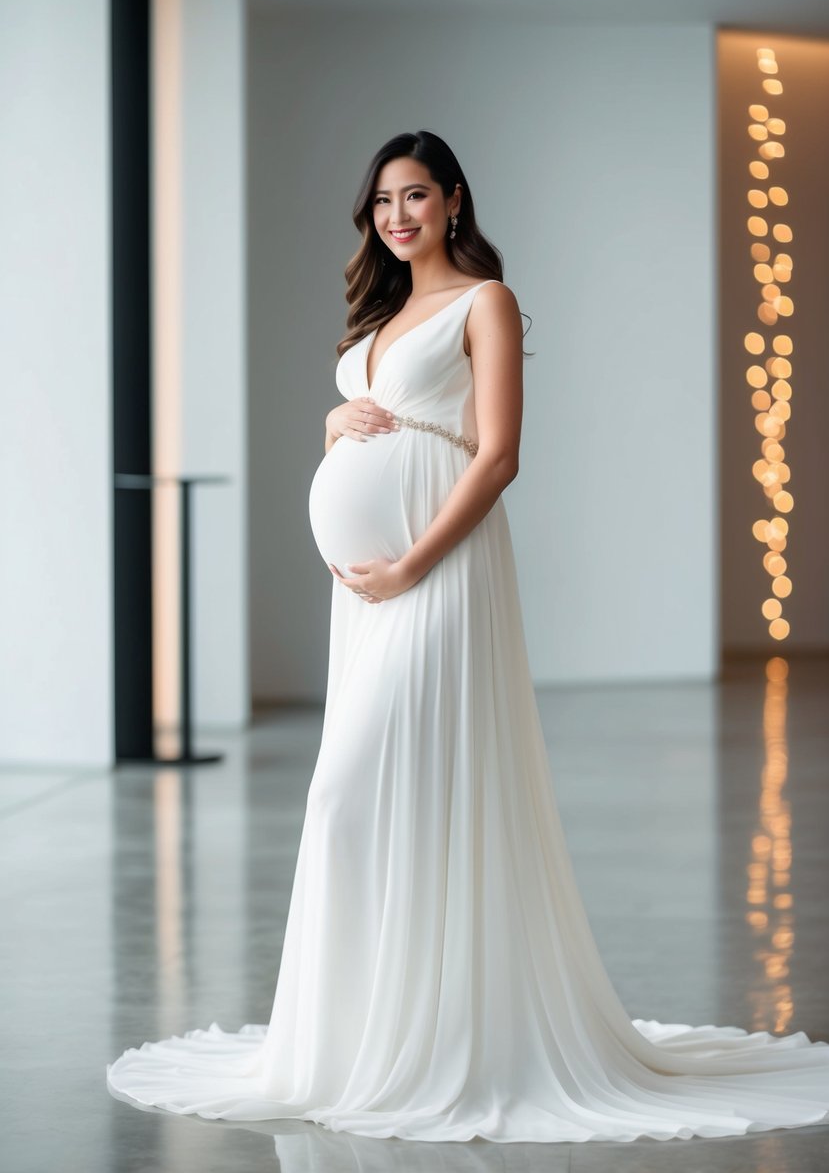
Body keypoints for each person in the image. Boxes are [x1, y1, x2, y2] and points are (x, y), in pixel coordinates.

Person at [107, 130, 829, 1143]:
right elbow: (370, 415)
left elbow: (495, 459)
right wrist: (331, 431)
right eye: (381, 203)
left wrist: (408, 564)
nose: (396, 217)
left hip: (436, 573)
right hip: (364, 597)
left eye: (413, 197)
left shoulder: (483, 301)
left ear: (452, 199)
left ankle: (436, 1039)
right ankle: (361, 1034)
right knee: (372, 792)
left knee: (353, 788)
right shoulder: (384, 310)